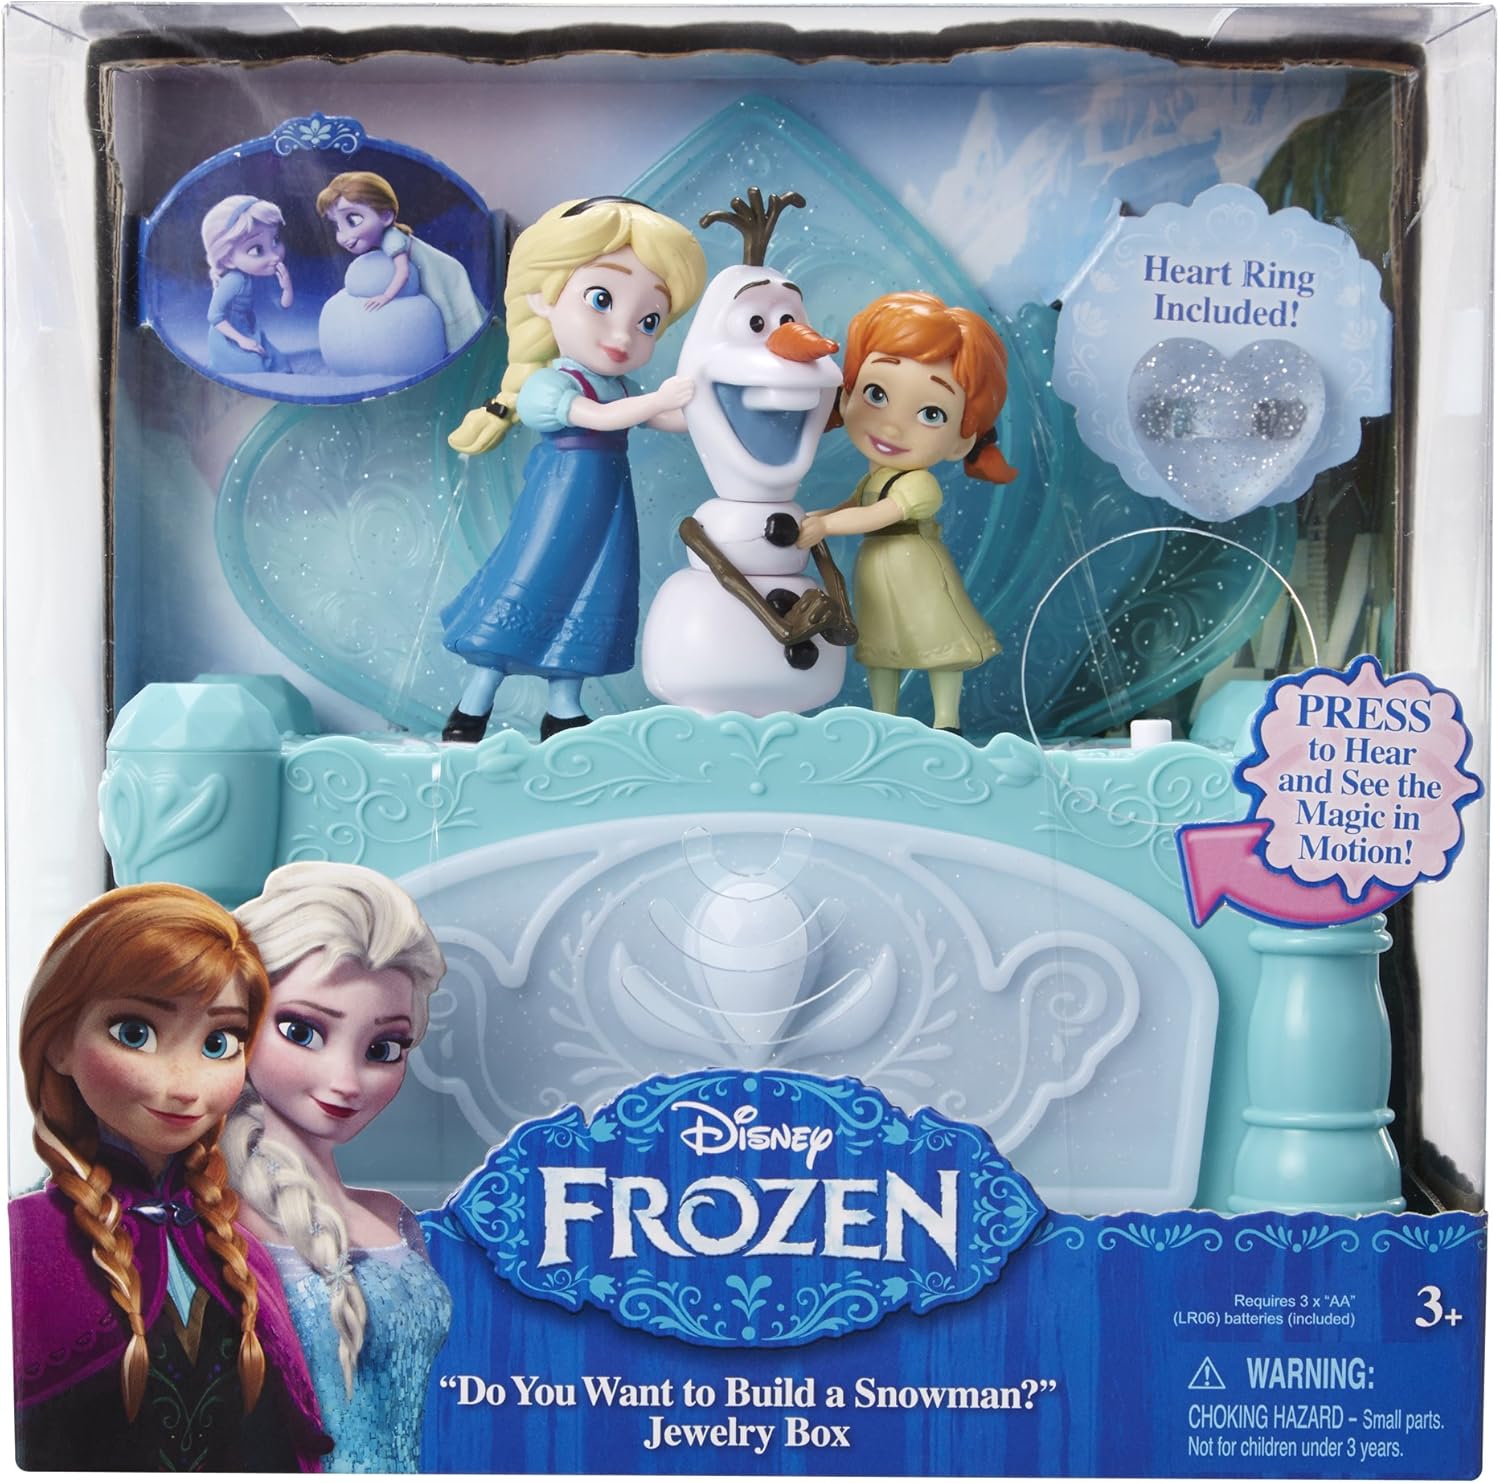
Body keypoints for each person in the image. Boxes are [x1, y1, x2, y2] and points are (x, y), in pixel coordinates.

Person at [9, 883, 327, 1470]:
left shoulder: (241, 1252)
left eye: (219, 1042)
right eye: (136, 1032)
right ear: (56, 1043)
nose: (185, 1085)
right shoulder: (23, 1244)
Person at [441, 196, 706, 742]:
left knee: (593, 592)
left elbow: (671, 421)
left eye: (648, 321)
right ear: (543, 296)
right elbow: (601, 418)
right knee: (532, 581)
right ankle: (473, 704)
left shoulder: (622, 386)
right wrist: (660, 399)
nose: (623, 335)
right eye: (601, 300)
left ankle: (564, 707)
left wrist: (714, 404)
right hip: (559, 503)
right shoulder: (548, 385)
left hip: (607, 510)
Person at [223, 862, 450, 1473]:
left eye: (383, 1049)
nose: (346, 1081)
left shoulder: (393, 1218)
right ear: (238, 1018)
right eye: (301, 1031)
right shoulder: (209, 1218)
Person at [797, 290, 1018, 734]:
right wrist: (820, 516)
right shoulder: (875, 476)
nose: (893, 426)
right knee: (881, 647)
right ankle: (885, 718)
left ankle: (947, 720)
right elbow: (856, 505)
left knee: (937, 643)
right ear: (847, 395)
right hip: (877, 572)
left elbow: (876, 515)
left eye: (932, 413)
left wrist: (826, 525)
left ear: (962, 440)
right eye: (877, 393)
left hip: (916, 571)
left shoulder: (919, 484)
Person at [315, 170, 486, 375]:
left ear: (386, 216)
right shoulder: (383, 240)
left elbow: (403, 272)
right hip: (430, 269)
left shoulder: (392, 240)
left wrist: (386, 296)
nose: (343, 236)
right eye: (336, 226)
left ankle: (466, 344)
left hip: (441, 270)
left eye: (353, 220)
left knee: (448, 303)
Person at [201, 195, 295, 375]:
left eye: (275, 241)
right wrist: (241, 340)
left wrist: (287, 287)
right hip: (228, 337)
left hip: (249, 329)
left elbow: (284, 305)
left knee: (277, 362)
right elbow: (214, 316)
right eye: (256, 250)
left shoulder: (250, 276)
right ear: (227, 259)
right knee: (255, 366)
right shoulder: (233, 281)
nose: (275, 256)